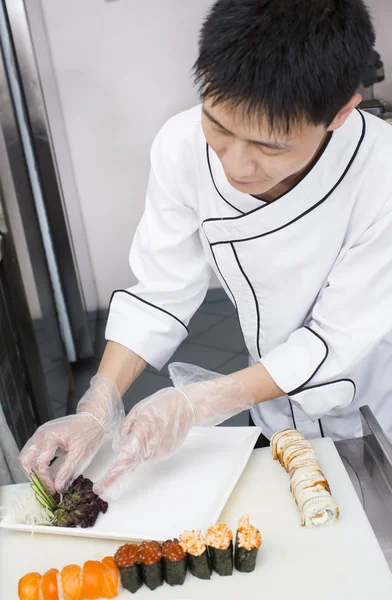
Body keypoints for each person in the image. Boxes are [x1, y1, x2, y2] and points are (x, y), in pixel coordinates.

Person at [19, 0, 392, 500]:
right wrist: (97, 405)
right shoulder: (179, 145)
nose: (237, 165)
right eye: (219, 126)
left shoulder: (380, 173)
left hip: (374, 406)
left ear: (341, 111)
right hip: (274, 404)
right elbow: (162, 290)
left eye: (271, 146)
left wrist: (200, 402)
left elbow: (336, 338)